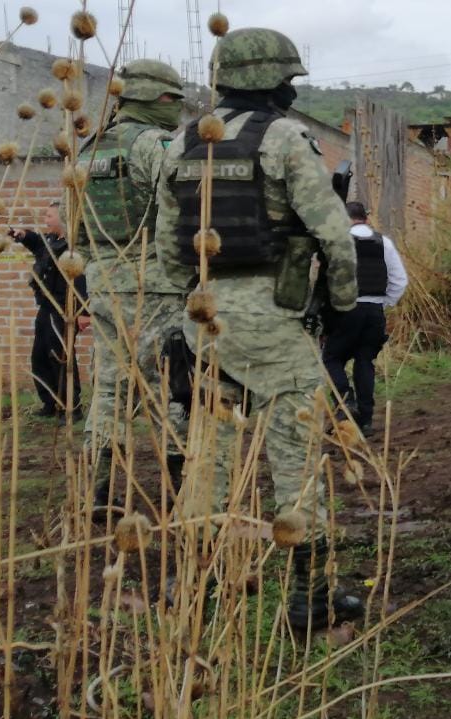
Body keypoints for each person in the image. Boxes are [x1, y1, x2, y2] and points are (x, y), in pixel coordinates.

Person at [153, 26, 363, 632]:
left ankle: (197, 585)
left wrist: (186, 310)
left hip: (203, 321)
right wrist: (343, 304)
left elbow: (170, 245)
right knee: (296, 461)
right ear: (270, 80)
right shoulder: (286, 138)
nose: (291, 92)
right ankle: (310, 598)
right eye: (287, 80)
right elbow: (333, 235)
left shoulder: (180, 141)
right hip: (273, 320)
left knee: (208, 463)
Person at [76, 59, 189, 521]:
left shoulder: (89, 149)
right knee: (172, 385)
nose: (177, 108)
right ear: (150, 98)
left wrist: (94, 273)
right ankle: (181, 492)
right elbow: (184, 209)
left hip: (104, 282)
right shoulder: (155, 144)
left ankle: (97, 495)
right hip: (156, 284)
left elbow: (77, 228)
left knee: (109, 389)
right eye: (171, 99)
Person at [321, 201, 408, 437]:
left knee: (331, 358)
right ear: (365, 219)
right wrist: (383, 302)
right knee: (364, 362)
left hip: (346, 311)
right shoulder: (383, 242)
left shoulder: (338, 242)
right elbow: (400, 280)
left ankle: (345, 401)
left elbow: (327, 280)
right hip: (374, 312)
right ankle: (366, 421)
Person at [10, 202, 87, 419]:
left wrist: (84, 311)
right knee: (39, 356)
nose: (46, 219)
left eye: (49, 216)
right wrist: (23, 235)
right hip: (45, 309)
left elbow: (81, 280)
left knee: (60, 356)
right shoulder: (51, 241)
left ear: (62, 218)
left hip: (63, 310)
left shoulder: (72, 246)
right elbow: (38, 244)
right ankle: (50, 403)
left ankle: (72, 407)